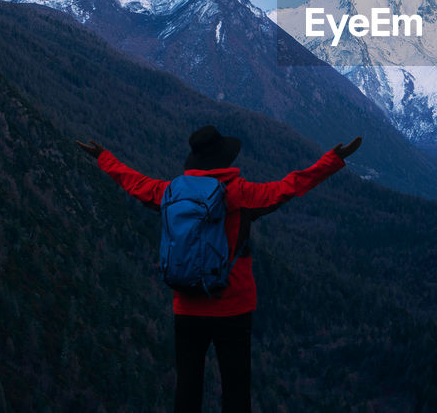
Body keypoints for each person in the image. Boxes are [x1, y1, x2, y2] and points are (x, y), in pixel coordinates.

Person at [76, 126, 361, 413]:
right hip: (233, 307)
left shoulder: (170, 192)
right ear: (224, 160)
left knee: (188, 386)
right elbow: (289, 187)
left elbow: (135, 183)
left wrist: (103, 157)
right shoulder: (239, 193)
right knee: (236, 389)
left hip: (187, 304)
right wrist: (332, 160)